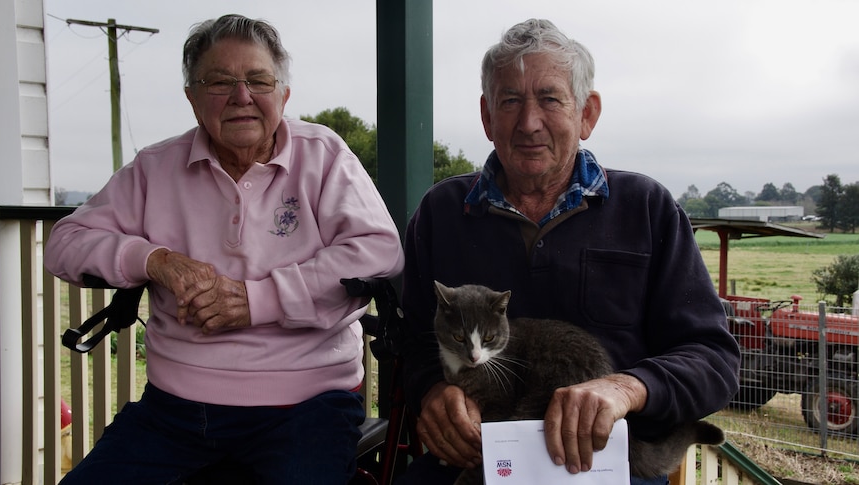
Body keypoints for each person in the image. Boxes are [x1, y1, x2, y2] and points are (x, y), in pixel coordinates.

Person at [45, 14, 404, 484]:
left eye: (258, 80)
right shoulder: (156, 168)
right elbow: (64, 244)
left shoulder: (324, 155)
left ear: (283, 94)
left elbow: (379, 250)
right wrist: (154, 260)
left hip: (306, 403)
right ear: (192, 98)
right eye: (219, 81)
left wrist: (256, 301)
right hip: (173, 409)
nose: (242, 96)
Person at [397, 18, 740, 485]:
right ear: (486, 116)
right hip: (478, 459)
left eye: (550, 99)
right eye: (510, 100)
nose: (529, 122)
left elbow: (713, 358)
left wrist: (626, 388)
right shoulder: (441, 214)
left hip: (607, 464)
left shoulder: (646, 208)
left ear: (587, 113)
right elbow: (412, 341)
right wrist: (432, 390)